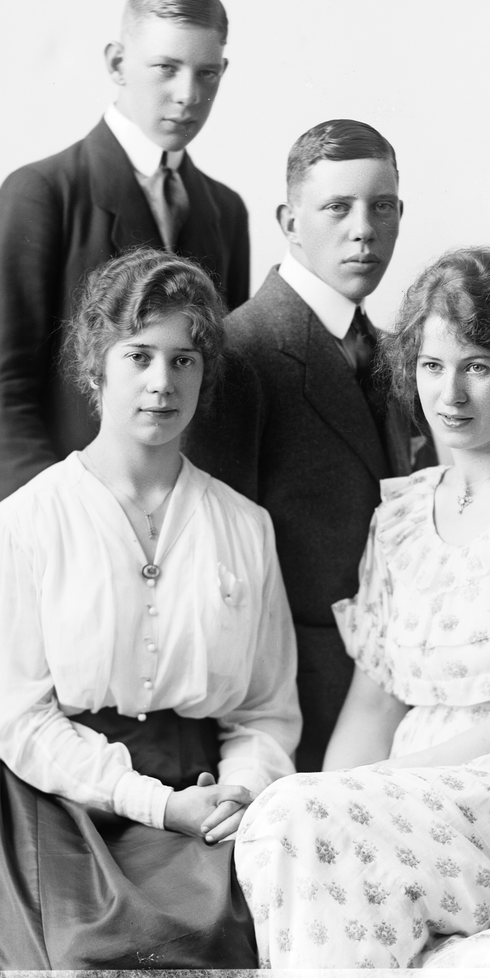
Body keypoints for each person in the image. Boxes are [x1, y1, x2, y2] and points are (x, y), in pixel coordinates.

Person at [234, 246, 490, 971]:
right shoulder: (403, 516)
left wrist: (377, 788)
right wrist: (337, 791)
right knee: (290, 816)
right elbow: (373, 705)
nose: (450, 394)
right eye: (432, 366)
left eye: (476, 366)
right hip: (427, 801)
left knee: (297, 816)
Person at [0, 249, 300, 971]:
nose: (162, 383)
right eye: (139, 356)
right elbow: (23, 720)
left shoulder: (244, 525)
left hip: (199, 797)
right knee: (76, 963)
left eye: (184, 360)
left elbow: (265, 711)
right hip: (46, 794)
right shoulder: (28, 520)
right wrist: (154, 805)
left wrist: (240, 795)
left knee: (233, 947)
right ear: (95, 366)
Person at [185, 119, 435, 772]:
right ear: (289, 222)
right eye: (337, 207)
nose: (364, 229)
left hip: (404, 686)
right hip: (296, 704)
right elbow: (215, 568)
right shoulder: (241, 354)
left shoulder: (400, 354)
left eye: (383, 206)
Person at [0, 0, 250, 509]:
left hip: (185, 519)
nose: (188, 95)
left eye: (207, 73)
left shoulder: (224, 210)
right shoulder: (42, 193)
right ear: (117, 63)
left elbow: (214, 386)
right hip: (72, 520)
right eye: (166, 68)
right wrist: (55, 523)